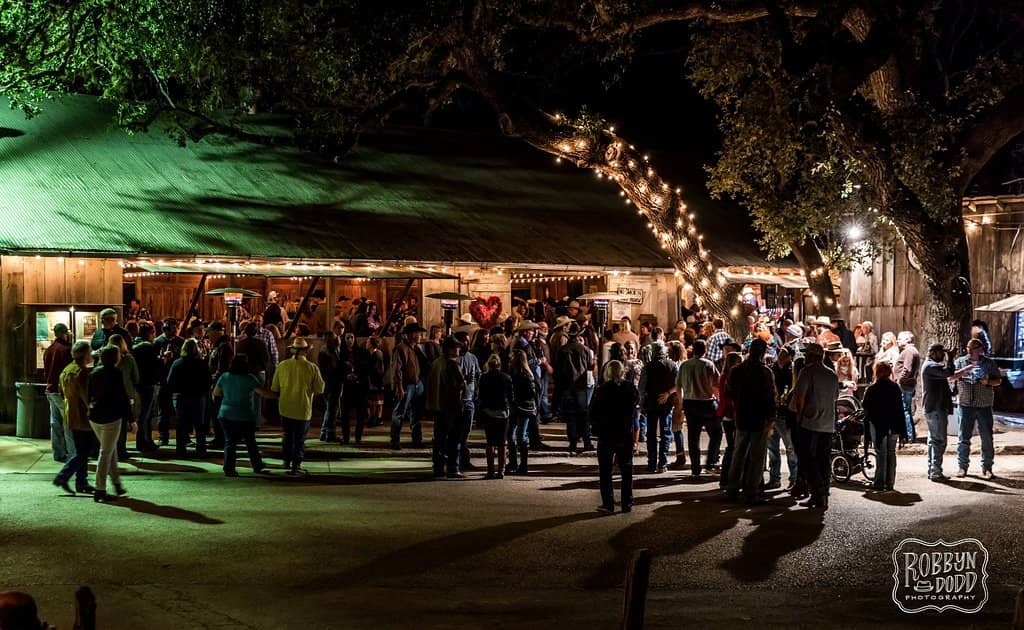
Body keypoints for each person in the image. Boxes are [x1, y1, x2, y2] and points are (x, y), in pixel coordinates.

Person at [726, 338, 777, 504]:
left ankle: (732, 489)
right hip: (759, 419)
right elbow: (770, 398)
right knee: (757, 458)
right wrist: (771, 419)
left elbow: (730, 392)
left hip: (741, 416)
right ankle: (751, 492)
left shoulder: (736, 371)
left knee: (738, 454)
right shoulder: (765, 372)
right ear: (762, 353)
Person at [789, 343, 839, 510]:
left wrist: (798, 416)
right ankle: (823, 493)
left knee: (807, 458)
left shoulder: (807, 372)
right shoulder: (832, 374)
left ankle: (817, 492)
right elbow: (835, 397)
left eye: (806, 354)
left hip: (810, 423)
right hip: (827, 424)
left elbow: (799, 398)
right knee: (823, 460)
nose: (804, 357)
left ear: (811, 356)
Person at [591, 360, 641, 514]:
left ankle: (608, 503)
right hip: (624, 433)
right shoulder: (630, 388)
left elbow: (592, 413)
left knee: (605, 471)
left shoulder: (602, 390)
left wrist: (596, 428)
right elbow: (635, 409)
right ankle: (627, 502)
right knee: (626, 470)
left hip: (606, 434)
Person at [272, 337, 326, 476]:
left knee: (287, 436)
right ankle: (296, 466)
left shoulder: (282, 365)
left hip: (285, 407)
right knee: (300, 439)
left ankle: (286, 461)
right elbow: (320, 388)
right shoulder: (312, 368)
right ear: (306, 351)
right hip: (303, 408)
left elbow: (275, 387)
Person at [214, 354, 274, 477]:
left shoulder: (225, 377)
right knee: (250, 441)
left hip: (226, 414)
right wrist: (278, 395)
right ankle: (257, 465)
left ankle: (229, 469)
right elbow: (263, 393)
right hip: (245, 415)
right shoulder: (250, 378)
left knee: (230, 442)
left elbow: (216, 392)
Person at [949, 338, 1002, 479]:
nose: (971, 351)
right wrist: (964, 371)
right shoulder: (960, 362)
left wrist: (987, 381)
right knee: (963, 437)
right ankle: (962, 467)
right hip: (966, 404)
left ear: (980, 349)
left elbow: (998, 380)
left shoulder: (988, 363)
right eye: (969, 348)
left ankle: (987, 467)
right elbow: (951, 377)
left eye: (974, 348)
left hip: (984, 404)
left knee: (986, 437)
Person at [52, 341, 96, 495]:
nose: (91, 355)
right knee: (84, 451)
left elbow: (61, 392)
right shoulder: (82, 372)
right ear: (84, 354)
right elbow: (85, 395)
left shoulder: (66, 370)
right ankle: (63, 476)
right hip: (82, 415)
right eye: (89, 352)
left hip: (70, 413)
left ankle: (81, 482)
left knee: (80, 448)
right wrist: (91, 408)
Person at [88, 346, 131, 502]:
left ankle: (117, 483)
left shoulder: (94, 373)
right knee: (106, 452)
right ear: (115, 357)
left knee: (109, 449)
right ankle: (100, 488)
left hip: (95, 416)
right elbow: (122, 396)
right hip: (111, 416)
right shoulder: (116, 373)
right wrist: (131, 418)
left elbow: (89, 394)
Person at [678, 339, 722, 477]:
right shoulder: (709, 364)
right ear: (705, 350)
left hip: (690, 403)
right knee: (716, 434)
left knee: (693, 437)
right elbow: (716, 385)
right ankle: (710, 462)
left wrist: (680, 404)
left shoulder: (684, 365)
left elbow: (678, 386)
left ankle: (695, 468)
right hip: (707, 403)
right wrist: (720, 401)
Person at [426, 336, 467, 478]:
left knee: (439, 438)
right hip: (452, 407)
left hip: (439, 406)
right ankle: (452, 467)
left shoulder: (437, 363)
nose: (459, 350)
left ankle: (438, 467)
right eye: (457, 347)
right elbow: (460, 385)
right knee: (454, 438)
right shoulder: (452, 364)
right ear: (450, 350)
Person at [862, 362, 908, 491]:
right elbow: (900, 409)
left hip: (879, 426)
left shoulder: (872, 389)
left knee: (881, 453)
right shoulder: (895, 388)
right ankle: (890, 482)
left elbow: (866, 408)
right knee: (891, 453)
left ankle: (879, 482)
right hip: (893, 425)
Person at [553, 323, 596, 453]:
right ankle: (587, 442)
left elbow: (557, 371)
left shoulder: (562, 350)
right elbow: (590, 366)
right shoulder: (585, 350)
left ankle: (573, 443)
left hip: (567, 387)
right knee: (583, 415)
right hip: (581, 387)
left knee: (570, 416)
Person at [166, 338, 212, 457]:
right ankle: (201, 449)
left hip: (181, 397)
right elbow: (208, 381)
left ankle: (180, 449)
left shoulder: (177, 363)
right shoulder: (201, 363)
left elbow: (169, 381)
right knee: (199, 424)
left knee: (181, 424)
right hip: (197, 397)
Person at [639, 339, 677, 474]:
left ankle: (651, 463)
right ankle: (662, 464)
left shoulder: (647, 367)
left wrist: (641, 404)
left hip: (651, 403)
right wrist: (668, 394)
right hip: (666, 404)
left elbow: (642, 388)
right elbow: (678, 384)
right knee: (665, 433)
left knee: (651, 434)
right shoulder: (672, 365)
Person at [921, 342, 955, 481]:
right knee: (939, 441)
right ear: (933, 353)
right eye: (942, 352)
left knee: (933, 440)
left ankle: (933, 469)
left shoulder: (930, 366)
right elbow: (949, 372)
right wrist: (951, 358)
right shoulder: (931, 366)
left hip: (933, 407)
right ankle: (935, 471)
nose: (944, 355)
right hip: (935, 408)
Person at [391, 323, 428, 449]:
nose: (420, 336)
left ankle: (417, 440)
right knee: (399, 413)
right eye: (418, 333)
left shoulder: (415, 348)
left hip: (417, 384)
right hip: (407, 385)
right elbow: (397, 369)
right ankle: (395, 440)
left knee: (416, 414)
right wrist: (399, 386)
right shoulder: (401, 348)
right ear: (410, 335)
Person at [478, 354, 513, 478]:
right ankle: (501, 471)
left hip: (488, 412)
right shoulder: (506, 377)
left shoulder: (484, 378)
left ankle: (490, 470)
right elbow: (511, 396)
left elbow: (480, 395)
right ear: (499, 364)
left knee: (490, 442)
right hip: (503, 413)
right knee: (502, 443)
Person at [767, 348, 798, 490]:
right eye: (780, 354)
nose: (781, 357)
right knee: (772, 449)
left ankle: (794, 479)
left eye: (784, 355)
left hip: (784, 415)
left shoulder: (791, 371)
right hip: (772, 413)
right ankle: (774, 478)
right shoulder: (771, 368)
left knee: (790, 448)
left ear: (790, 357)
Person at [43, 322, 74, 462]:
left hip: (50, 389)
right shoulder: (66, 349)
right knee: (68, 423)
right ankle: (73, 453)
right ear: (64, 333)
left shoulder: (49, 349)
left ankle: (58, 452)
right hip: (62, 390)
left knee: (54, 422)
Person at [106, 334, 139, 460]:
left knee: (111, 424)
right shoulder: (128, 359)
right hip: (127, 394)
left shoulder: (105, 358)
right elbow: (136, 377)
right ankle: (121, 450)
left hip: (109, 396)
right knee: (123, 423)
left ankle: (112, 449)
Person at [507, 348, 539, 475]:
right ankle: (513, 462)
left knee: (521, 436)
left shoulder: (526, 375)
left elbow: (531, 393)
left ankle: (523, 465)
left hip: (524, 408)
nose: (510, 360)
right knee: (510, 435)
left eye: (512, 357)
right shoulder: (513, 373)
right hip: (516, 407)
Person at [154, 317, 184, 446]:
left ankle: (183, 437)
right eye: (172, 329)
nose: (174, 331)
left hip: (178, 381)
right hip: (163, 380)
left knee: (181, 411)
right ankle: (163, 435)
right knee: (163, 410)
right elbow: (153, 361)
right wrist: (162, 358)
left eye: (175, 328)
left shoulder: (181, 341)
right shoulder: (157, 342)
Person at [453, 330, 481, 468]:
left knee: (466, 430)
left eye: (468, 341)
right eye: (464, 341)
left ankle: (463, 458)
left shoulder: (472, 357)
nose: (467, 344)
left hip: (469, 399)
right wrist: (463, 380)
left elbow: (477, 374)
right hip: (456, 400)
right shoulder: (454, 359)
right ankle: (457, 459)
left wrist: (476, 387)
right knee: (456, 431)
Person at [132, 323, 161, 451]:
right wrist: (162, 360)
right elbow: (153, 366)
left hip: (139, 383)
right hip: (148, 382)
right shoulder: (148, 348)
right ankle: (144, 441)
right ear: (149, 333)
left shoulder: (134, 346)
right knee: (146, 414)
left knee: (144, 413)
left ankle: (145, 440)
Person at [716, 353, 743, 489]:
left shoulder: (723, 377)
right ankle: (727, 478)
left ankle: (726, 478)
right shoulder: (729, 378)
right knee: (733, 447)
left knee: (732, 447)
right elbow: (729, 400)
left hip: (727, 416)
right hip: (731, 416)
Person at [340, 332, 371, 444]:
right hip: (347, 387)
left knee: (360, 414)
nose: (350, 340)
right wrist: (345, 376)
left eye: (352, 337)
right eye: (347, 337)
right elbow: (338, 370)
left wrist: (358, 375)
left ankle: (358, 437)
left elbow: (368, 368)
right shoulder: (341, 354)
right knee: (345, 415)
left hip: (360, 387)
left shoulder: (362, 352)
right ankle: (346, 437)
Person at [894, 331, 921, 442]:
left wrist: (900, 381)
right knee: (907, 410)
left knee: (905, 410)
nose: (897, 340)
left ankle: (908, 436)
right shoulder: (912, 351)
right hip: (908, 385)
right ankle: (910, 434)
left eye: (900, 339)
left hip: (904, 386)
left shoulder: (909, 351)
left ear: (907, 340)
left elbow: (907, 369)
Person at [317, 333, 343, 442]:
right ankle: (330, 433)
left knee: (330, 409)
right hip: (331, 383)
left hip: (330, 383)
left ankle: (324, 432)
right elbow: (332, 368)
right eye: (335, 338)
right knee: (332, 409)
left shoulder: (329, 350)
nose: (338, 340)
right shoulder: (327, 352)